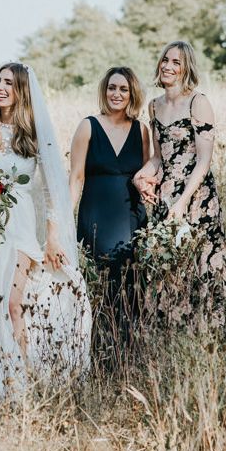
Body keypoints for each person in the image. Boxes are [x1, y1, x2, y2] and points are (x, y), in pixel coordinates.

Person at [0, 63, 91, 409]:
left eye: (9, 82)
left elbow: (52, 191)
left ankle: (17, 388)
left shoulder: (34, 134)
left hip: (19, 227)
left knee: (12, 304)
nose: (1, 87)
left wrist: (52, 238)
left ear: (23, 91)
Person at [133, 41, 226, 329]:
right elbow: (159, 159)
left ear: (186, 68)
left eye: (176, 62)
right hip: (165, 198)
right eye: (165, 60)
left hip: (196, 197)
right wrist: (138, 178)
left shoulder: (198, 102)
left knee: (200, 264)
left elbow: (203, 161)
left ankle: (205, 335)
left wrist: (183, 200)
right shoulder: (154, 106)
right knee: (168, 268)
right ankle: (171, 334)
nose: (168, 67)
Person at [70, 67, 149, 287]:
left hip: (130, 218)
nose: (117, 94)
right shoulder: (88, 126)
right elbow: (76, 178)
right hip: (95, 216)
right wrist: (64, 220)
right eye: (112, 87)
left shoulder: (141, 130)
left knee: (131, 284)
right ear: (104, 91)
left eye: (124, 89)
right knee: (97, 281)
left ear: (132, 94)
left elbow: (144, 174)